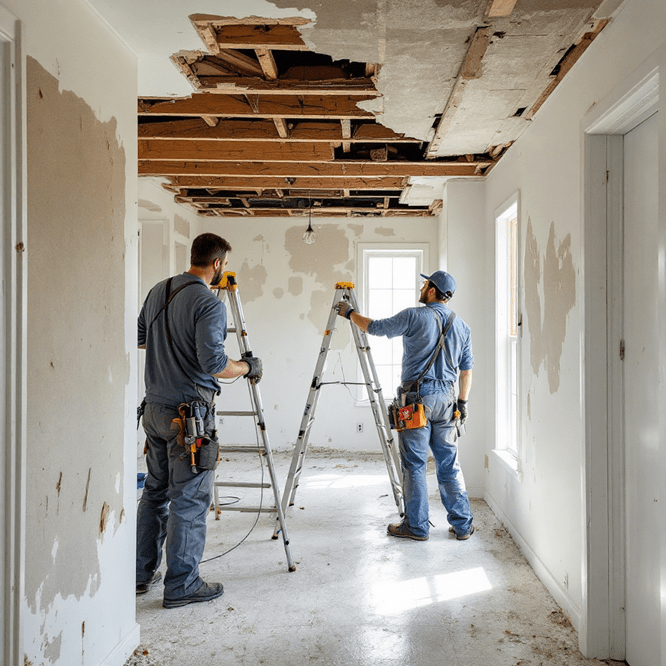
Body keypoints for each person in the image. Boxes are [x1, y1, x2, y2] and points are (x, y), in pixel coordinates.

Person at [136, 233, 262, 608]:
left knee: (156, 494)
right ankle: (182, 585)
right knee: (189, 500)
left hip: (155, 411)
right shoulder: (208, 303)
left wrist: (171, 348)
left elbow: (141, 338)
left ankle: (141, 574)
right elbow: (215, 364)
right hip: (189, 417)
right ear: (218, 264)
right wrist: (246, 366)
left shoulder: (159, 291)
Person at [337, 270, 474, 541]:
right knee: (449, 464)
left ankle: (417, 526)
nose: (422, 287)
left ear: (433, 290)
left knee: (415, 464)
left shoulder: (414, 315)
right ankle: (462, 525)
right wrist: (462, 403)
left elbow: (375, 327)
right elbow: (466, 372)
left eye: (425, 284)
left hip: (417, 400)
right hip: (448, 400)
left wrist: (349, 313)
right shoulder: (462, 326)